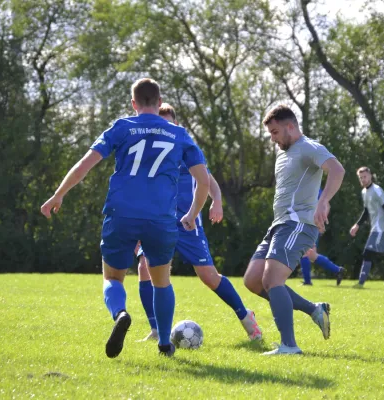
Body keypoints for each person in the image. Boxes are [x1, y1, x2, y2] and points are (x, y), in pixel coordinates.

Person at [40, 78, 209, 358]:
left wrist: (58, 194)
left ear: (133, 103)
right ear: (159, 101)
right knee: (161, 280)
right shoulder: (179, 135)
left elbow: (85, 164)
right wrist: (192, 214)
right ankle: (165, 343)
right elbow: (202, 182)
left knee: (113, 277)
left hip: (121, 214)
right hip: (161, 218)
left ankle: (120, 313)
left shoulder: (122, 127)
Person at [135, 103, 262, 343]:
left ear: (176, 124)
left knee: (209, 277)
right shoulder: (149, 154)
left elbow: (209, 181)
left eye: (169, 123)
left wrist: (217, 202)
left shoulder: (186, 147)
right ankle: (155, 330)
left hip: (188, 223)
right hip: (158, 223)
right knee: (144, 268)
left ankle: (246, 317)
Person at [243, 104, 345, 355]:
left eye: (275, 132)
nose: (273, 138)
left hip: (298, 224)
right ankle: (314, 309)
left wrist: (323, 201)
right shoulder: (282, 153)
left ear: (290, 126)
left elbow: (337, 169)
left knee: (272, 280)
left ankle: (289, 346)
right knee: (254, 281)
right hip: (279, 224)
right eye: (270, 133)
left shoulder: (309, 147)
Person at [300, 191, 345, 286]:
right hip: (307, 224)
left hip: (311, 225)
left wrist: (321, 221)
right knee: (311, 255)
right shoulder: (304, 185)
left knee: (306, 253)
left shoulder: (315, 188)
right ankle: (337, 270)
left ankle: (307, 282)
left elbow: (327, 205)